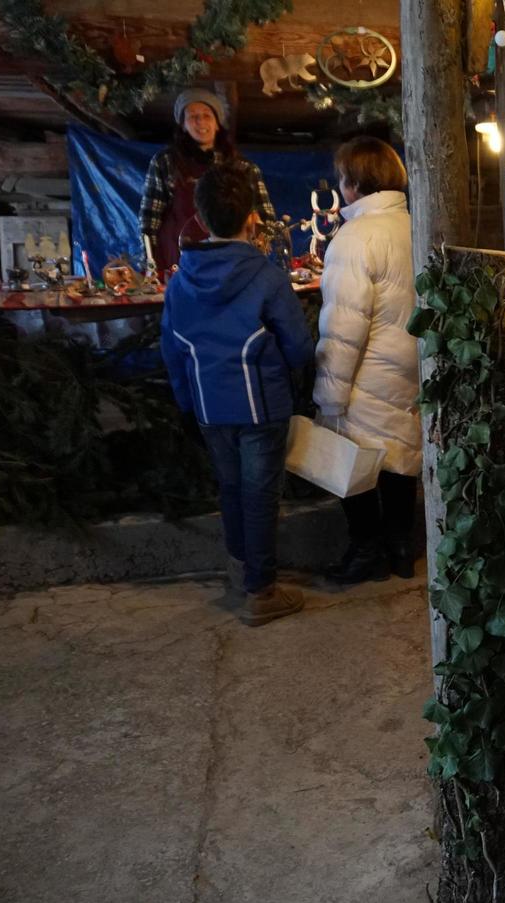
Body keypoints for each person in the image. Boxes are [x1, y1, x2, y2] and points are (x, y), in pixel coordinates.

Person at [160, 162, 315, 626]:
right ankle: (261, 591)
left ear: (201, 220)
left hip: (209, 408)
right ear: (252, 217)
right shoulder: (267, 278)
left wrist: (188, 405)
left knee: (231, 489)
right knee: (260, 495)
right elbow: (300, 347)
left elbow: (173, 351)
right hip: (261, 407)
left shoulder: (179, 282)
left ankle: (239, 569)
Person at [314, 137, 420, 584]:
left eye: (343, 178)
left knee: (353, 463)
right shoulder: (416, 224)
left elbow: (344, 326)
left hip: (366, 375)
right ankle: (401, 550)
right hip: (410, 369)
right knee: (401, 455)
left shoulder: (354, 237)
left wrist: (329, 396)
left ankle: (365, 551)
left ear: (355, 182)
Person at [139, 87, 275, 274]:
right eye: (192, 116)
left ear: (217, 123)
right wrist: (150, 262)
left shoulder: (243, 168)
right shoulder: (164, 162)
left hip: (232, 265)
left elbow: (265, 219)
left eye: (207, 115)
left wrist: (259, 256)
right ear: (183, 125)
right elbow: (149, 221)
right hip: (178, 263)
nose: (200, 121)